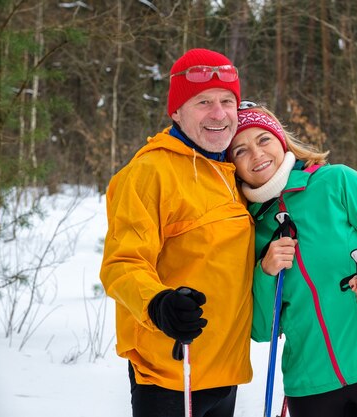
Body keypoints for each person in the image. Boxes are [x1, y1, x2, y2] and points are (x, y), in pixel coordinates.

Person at [227, 103, 357, 417]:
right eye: (240, 150)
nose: (256, 154)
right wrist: (265, 272)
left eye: (263, 140)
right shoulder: (247, 227)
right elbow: (262, 329)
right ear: (232, 164)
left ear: (281, 140)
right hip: (311, 388)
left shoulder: (336, 182)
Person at [99, 48, 255, 417]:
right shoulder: (149, 172)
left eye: (226, 101)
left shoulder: (235, 170)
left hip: (225, 370)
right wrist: (158, 303)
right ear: (176, 111)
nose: (218, 114)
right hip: (170, 370)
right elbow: (121, 264)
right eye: (203, 102)